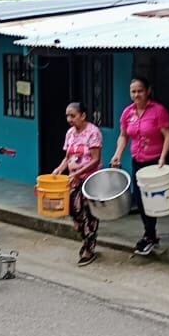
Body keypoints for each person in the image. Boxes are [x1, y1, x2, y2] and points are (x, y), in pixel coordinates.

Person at [109, 77, 169, 256]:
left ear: (147, 91)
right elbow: (123, 136)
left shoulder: (158, 111)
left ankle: (149, 235)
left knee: (152, 200)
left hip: (155, 163)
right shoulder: (127, 113)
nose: (136, 95)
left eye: (140, 91)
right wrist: (117, 155)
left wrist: (163, 157)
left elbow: (167, 135)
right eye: (133, 92)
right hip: (138, 160)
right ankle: (150, 234)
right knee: (139, 197)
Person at [52, 102, 102, 266]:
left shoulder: (93, 132)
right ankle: (86, 240)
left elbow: (95, 160)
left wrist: (78, 173)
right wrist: (59, 169)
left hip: (90, 180)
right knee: (74, 211)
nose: (69, 119)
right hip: (73, 179)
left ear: (83, 115)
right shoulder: (70, 133)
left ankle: (89, 249)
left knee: (89, 214)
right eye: (67, 116)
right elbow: (68, 157)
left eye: (72, 116)